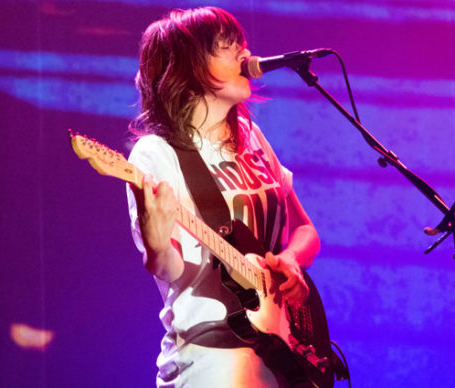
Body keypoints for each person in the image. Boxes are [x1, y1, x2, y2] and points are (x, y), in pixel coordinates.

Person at [126, 6, 320, 387]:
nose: (245, 57)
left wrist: (290, 262)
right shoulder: (157, 153)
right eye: (226, 48)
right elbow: (170, 270)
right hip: (213, 357)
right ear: (187, 65)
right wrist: (154, 240)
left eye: (242, 45)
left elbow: (306, 231)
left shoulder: (252, 138)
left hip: (282, 351)